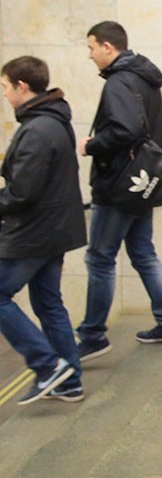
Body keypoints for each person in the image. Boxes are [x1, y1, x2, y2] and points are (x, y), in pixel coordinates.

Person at [76, 21, 162, 361]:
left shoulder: (120, 82)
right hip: (141, 183)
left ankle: (93, 334)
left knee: (100, 258)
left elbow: (126, 129)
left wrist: (93, 145)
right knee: (142, 251)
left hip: (119, 184)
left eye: (92, 47)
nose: (90, 55)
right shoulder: (143, 77)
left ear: (108, 47)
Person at [0, 57, 86, 404]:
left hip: (34, 233)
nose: (4, 95)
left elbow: (23, 192)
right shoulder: (53, 118)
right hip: (55, 229)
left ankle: (47, 365)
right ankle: (70, 381)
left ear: (22, 86)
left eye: (5, 87)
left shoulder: (37, 128)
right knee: (49, 303)